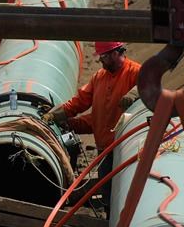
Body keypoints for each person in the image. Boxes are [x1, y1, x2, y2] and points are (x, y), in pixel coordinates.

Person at [42, 41, 140, 209]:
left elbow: (151, 86)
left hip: (126, 148)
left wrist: (135, 93)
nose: (101, 60)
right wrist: (56, 115)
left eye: (104, 56)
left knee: (125, 196)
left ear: (116, 53)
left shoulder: (136, 72)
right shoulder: (99, 78)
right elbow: (80, 104)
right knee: (108, 197)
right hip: (104, 151)